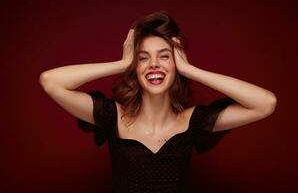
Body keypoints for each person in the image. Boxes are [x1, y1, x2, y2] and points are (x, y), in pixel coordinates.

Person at [39, 10, 277, 193]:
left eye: (164, 56)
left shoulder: (193, 121)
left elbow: (265, 103)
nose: (154, 64)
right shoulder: (112, 116)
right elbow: (50, 81)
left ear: (176, 64)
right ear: (136, 66)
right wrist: (122, 64)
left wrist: (190, 69)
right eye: (143, 58)